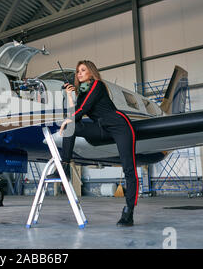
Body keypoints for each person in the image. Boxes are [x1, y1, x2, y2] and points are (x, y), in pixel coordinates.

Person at [46, 60, 139, 227]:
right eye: (77, 71)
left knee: (129, 169)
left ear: (91, 72)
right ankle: (64, 168)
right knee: (71, 126)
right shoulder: (83, 92)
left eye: (83, 70)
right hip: (101, 128)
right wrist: (70, 95)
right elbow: (76, 112)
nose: (79, 73)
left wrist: (69, 120)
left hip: (119, 126)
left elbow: (84, 109)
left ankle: (128, 212)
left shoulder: (97, 85)